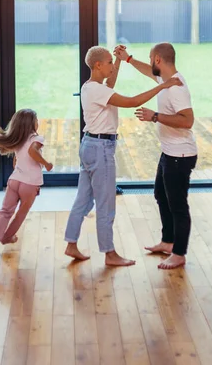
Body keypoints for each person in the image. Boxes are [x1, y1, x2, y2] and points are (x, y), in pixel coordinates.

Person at [64, 46, 182, 267]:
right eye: (109, 62)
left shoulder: (91, 87)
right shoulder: (98, 90)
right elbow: (131, 102)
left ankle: (71, 244)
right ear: (98, 65)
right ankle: (109, 254)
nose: (111, 65)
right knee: (106, 204)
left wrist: (118, 62)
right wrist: (163, 85)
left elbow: (111, 84)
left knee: (83, 199)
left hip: (89, 145)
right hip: (101, 149)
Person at [114, 43, 197, 270]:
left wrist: (155, 116)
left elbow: (187, 120)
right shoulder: (166, 79)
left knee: (178, 205)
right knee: (161, 194)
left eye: (151, 59)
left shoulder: (176, 88)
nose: (150, 64)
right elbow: (149, 72)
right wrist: (128, 59)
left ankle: (179, 253)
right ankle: (168, 242)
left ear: (158, 59)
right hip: (170, 151)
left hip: (180, 155)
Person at [0, 108, 53, 259]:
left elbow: (16, 163)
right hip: (29, 184)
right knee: (21, 213)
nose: (38, 122)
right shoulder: (36, 138)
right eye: (36, 119)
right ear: (32, 124)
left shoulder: (18, 140)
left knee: (5, 212)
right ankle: (7, 237)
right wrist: (46, 164)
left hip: (14, 181)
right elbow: (32, 152)